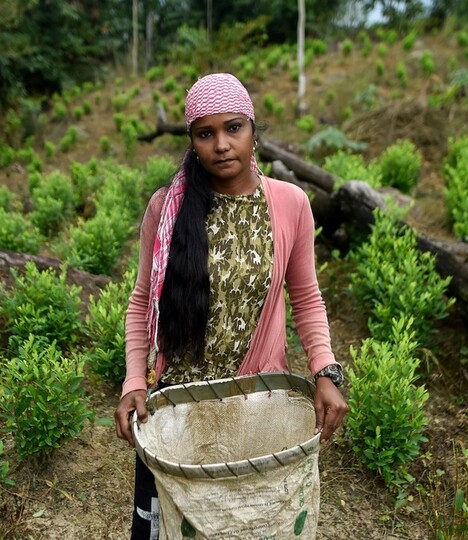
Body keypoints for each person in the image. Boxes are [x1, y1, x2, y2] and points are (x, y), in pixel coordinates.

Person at [114, 72, 348, 539]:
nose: (222, 144)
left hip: (253, 407)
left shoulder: (290, 204)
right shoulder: (168, 209)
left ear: (254, 131)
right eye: (206, 133)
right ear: (192, 142)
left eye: (233, 128)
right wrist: (133, 379)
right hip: (176, 410)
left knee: (248, 524)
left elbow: (306, 296)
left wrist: (325, 370)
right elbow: (143, 301)